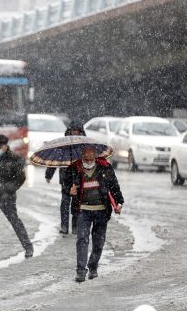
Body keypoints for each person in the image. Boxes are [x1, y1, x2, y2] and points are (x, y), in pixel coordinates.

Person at [64, 146, 124, 282]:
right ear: (82, 155)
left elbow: (114, 186)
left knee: (98, 242)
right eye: (86, 157)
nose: (89, 160)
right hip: (83, 211)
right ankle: (80, 271)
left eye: (92, 157)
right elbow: (65, 185)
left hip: (102, 211)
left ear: (96, 155)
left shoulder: (105, 167)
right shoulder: (74, 168)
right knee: (82, 240)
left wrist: (119, 202)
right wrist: (70, 190)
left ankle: (93, 266)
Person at [45, 120, 86, 235]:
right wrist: (49, 174)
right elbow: (55, 160)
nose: (75, 133)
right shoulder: (63, 146)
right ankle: (64, 227)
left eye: (78, 131)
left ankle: (75, 227)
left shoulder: (84, 146)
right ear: (69, 131)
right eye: (73, 130)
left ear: (81, 132)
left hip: (80, 178)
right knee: (65, 203)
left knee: (77, 204)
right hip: (65, 178)